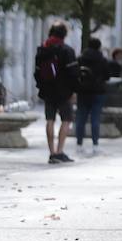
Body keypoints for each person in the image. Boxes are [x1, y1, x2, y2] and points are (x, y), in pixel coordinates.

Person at [35, 21, 78, 164]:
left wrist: (41, 87)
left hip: (48, 91)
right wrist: (73, 91)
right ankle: (59, 151)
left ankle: (51, 152)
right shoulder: (67, 50)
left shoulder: (42, 49)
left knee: (50, 120)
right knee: (66, 120)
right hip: (64, 91)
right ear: (64, 34)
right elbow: (73, 73)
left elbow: (37, 72)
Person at [74, 37, 111, 156]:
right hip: (98, 92)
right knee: (95, 118)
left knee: (81, 118)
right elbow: (107, 76)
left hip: (83, 91)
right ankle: (95, 145)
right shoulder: (102, 60)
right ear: (99, 46)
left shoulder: (80, 58)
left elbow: (75, 73)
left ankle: (79, 145)